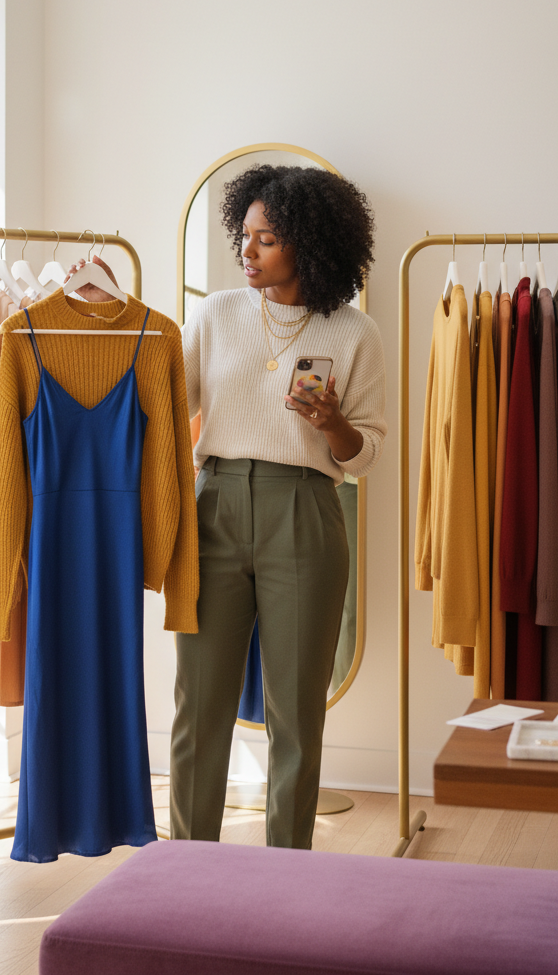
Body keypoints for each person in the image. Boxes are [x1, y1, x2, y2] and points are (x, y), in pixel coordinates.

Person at [170, 163, 386, 849]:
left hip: (306, 511)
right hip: (215, 505)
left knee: (296, 711)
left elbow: (366, 454)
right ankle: (187, 864)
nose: (248, 249)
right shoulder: (216, 313)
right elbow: (165, 405)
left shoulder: (354, 332)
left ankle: (287, 869)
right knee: (199, 705)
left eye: (266, 239)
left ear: (309, 244)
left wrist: (331, 423)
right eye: (246, 234)